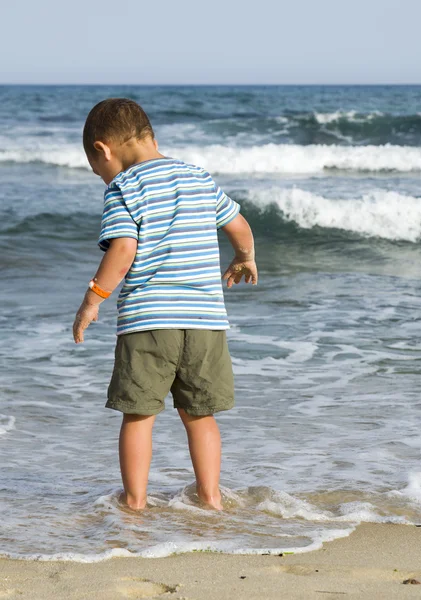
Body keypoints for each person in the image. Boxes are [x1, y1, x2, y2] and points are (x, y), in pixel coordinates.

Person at [73, 98, 257, 511]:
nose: (103, 177)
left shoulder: (125, 187)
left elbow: (122, 249)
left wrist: (93, 298)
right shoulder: (198, 176)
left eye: (96, 168)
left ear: (103, 150)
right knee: (200, 415)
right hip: (206, 322)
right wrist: (244, 257)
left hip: (149, 321)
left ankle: (135, 502)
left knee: (138, 415)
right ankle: (211, 497)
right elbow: (239, 226)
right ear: (150, 136)